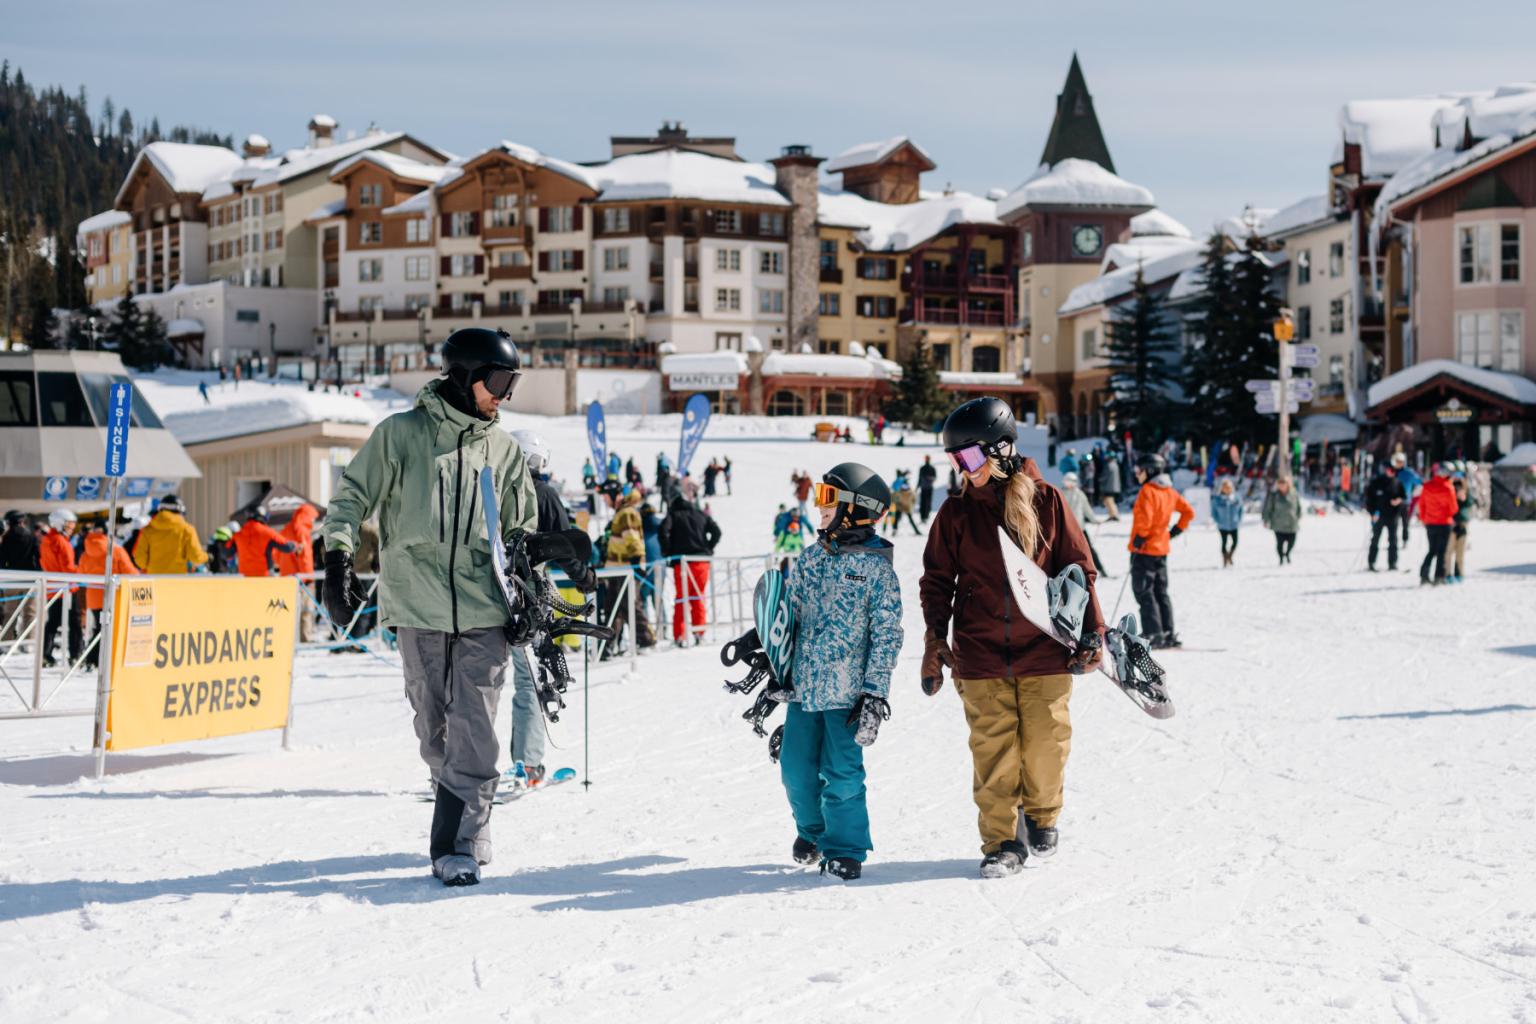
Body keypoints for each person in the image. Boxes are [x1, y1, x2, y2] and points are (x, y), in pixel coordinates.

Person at [319, 326, 548, 888]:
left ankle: (457, 843)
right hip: (417, 606)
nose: (505, 395)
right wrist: (336, 560)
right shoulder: (401, 436)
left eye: (512, 383)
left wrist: (532, 591)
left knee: (475, 729)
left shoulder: (505, 451)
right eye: (499, 381)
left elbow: (522, 531)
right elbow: (351, 498)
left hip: (483, 610)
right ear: (465, 375)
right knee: (434, 732)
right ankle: (472, 810)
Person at [919, 397, 1105, 879]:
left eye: (971, 457)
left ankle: (1042, 814)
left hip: (1044, 648)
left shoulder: (1047, 501)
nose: (964, 468)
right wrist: (935, 642)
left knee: (1046, 745)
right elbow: (937, 580)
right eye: (956, 460)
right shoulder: (956, 513)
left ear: (1001, 450)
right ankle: (1002, 841)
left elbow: (1079, 569)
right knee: (994, 752)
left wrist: (1093, 633)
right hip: (979, 654)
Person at [780, 462, 902, 880]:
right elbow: (788, 615)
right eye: (819, 497)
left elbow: (887, 635)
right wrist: (767, 653)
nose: (820, 507)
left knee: (843, 776)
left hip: (848, 696)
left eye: (828, 498)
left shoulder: (876, 568)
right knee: (795, 770)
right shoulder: (811, 558)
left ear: (856, 507)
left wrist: (875, 692)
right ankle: (812, 832)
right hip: (803, 689)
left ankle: (845, 849)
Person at [1127, 453, 1194, 649]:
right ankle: (1167, 631)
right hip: (1161, 549)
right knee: (1160, 591)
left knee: (1144, 591)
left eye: (1139, 470)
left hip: (1145, 549)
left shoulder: (1148, 490)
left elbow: (1145, 518)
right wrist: (1176, 530)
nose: (1137, 474)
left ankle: (1153, 633)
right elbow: (1188, 512)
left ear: (1149, 470)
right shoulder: (1170, 491)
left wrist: (1140, 536)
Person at [658, 493, 720, 646]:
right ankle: (699, 632)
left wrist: (668, 551)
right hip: (701, 562)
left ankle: (679, 635)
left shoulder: (673, 515)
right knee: (698, 597)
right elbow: (717, 531)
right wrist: (708, 549)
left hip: (682, 562)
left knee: (681, 598)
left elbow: (663, 531)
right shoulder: (700, 514)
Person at [77, 523, 139, 667]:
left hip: (93, 597)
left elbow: (80, 574)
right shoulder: (116, 551)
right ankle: (106, 659)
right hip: (113, 596)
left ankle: (92, 659)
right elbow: (130, 573)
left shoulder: (86, 553)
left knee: (98, 629)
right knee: (112, 629)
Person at [603, 486, 655, 654]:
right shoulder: (622, 512)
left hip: (625, 568)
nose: (605, 501)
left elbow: (632, 537)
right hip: (616, 569)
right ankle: (608, 645)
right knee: (614, 608)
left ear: (617, 496)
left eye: (606, 497)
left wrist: (636, 561)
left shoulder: (627, 513)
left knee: (629, 605)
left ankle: (646, 640)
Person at [39, 510, 82, 667]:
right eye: (69, 524)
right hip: (67, 588)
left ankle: (45, 653)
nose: (72, 527)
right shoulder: (61, 542)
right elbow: (68, 567)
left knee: (52, 622)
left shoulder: (47, 540)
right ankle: (76, 654)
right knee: (75, 623)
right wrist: (82, 572)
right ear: (60, 523)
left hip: (53, 587)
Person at [132, 496, 208, 574]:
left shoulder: (147, 530)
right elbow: (196, 557)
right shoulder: (187, 530)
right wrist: (207, 556)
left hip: (155, 580)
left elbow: (140, 560)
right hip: (176, 580)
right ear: (179, 512)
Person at [1417, 463, 1458, 586]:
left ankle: (1424, 575)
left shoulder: (1427, 486)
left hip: (1430, 523)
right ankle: (1439, 577)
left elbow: (1421, 505)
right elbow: (1453, 508)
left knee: (1432, 550)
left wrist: (1425, 518)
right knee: (1442, 551)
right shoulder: (1448, 487)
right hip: (1444, 523)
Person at [1060, 471, 1106, 576]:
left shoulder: (1080, 494)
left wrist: (1094, 520)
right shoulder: (1061, 493)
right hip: (1066, 529)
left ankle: (1100, 569)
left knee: (1088, 550)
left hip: (1080, 528)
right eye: (1067, 481)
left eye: (1071, 481)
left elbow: (1087, 509)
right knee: (1066, 551)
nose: (1069, 484)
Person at [232, 509, 298, 578]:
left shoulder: (238, 534)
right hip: (264, 575)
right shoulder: (267, 532)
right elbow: (287, 546)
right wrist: (296, 545)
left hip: (245, 576)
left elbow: (227, 552)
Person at [1364, 464, 1405, 572]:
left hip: (1392, 517)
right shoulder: (1376, 482)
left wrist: (1398, 501)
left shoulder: (1397, 482)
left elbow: (1403, 496)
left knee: (1393, 540)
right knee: (1375, 539)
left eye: (1393, 471)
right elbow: (1369, 500)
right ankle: (1371, 562)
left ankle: (1393, 563)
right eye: (1390, 470)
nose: (1391, 472)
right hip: (1378, 516)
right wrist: (1372, 513)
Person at [1261, 476, 1302, 565]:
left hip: (1292, 523)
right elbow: (1268, 508)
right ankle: (1281, 558)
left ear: (1288, 484)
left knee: (1292, 542)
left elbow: (1298, 507)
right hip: (1278, 524)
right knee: (1280, 543)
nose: (1282, 486)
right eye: (1280, 484)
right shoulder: (1274, 495)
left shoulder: (1294, 494)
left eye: (1283, 484)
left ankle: (1287, 554)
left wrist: (1298, 517)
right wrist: (1266, 519)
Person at [1447, 473, 1474, 583]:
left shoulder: (1466, 489)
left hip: (1462, 523)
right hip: (1450, 523)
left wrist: (1464, 497)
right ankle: (1448, 574)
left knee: (1460, 551)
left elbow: (1470, 503)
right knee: (1449, 551)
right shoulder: (1448, 488)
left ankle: (1459, 574)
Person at [1210, 477, 1242, 568]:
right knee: (1224, 543)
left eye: (1228, 487)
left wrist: (1238, 519)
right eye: (1225, 487)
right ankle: (1224, 559)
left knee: (1235, 542)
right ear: (1222, 488)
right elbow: (1213, 512)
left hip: (1234, 524)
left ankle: (1229, 556)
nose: (1227, 489)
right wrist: (1218, 521)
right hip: (1222, 525)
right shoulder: (1217, 499)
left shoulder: (1236, 498)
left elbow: (1241, 510)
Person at [1392, 452, 1422, 547]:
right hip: (1393, 501)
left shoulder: (1409, 472)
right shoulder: (1392, 472)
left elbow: (1419, 481)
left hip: (1405, 501)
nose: (1398, 463)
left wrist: (1412, 492)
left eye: (1400, 461)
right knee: (1393, 523)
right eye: (1397, 461)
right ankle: (1393, 541)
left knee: (1405, 522)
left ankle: (1405, 540)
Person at [884, 470, 921, 536]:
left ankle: (894, 530)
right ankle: (916, 531)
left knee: (897, 519)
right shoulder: (906, 485)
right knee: (908, 519)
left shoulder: (897, 485)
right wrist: (913, 503)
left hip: (900, 505)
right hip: (906, 506)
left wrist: (894, 501)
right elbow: (913, 498)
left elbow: (893, 494)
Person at [1098, 450, 1123, 520]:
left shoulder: (1109, 465)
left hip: (1109, 486)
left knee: (1109, 501)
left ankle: (1114, 515)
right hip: (1114, 486)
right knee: (1109, 501)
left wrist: (1100, 479)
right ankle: (1112, 514)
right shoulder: (1115, 464)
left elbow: (1105, 476)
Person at [917, 455, 938, 523]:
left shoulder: (932, 468)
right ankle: (923, 517)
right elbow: (919, 478)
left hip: (928, 487)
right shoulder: (922, 468)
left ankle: (926, 516)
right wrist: (917, 486)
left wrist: (928, 478)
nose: (926, 460)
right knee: (923, 502)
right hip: (924, 488)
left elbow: (934, 477)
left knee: (927, 502)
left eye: (927, 459)